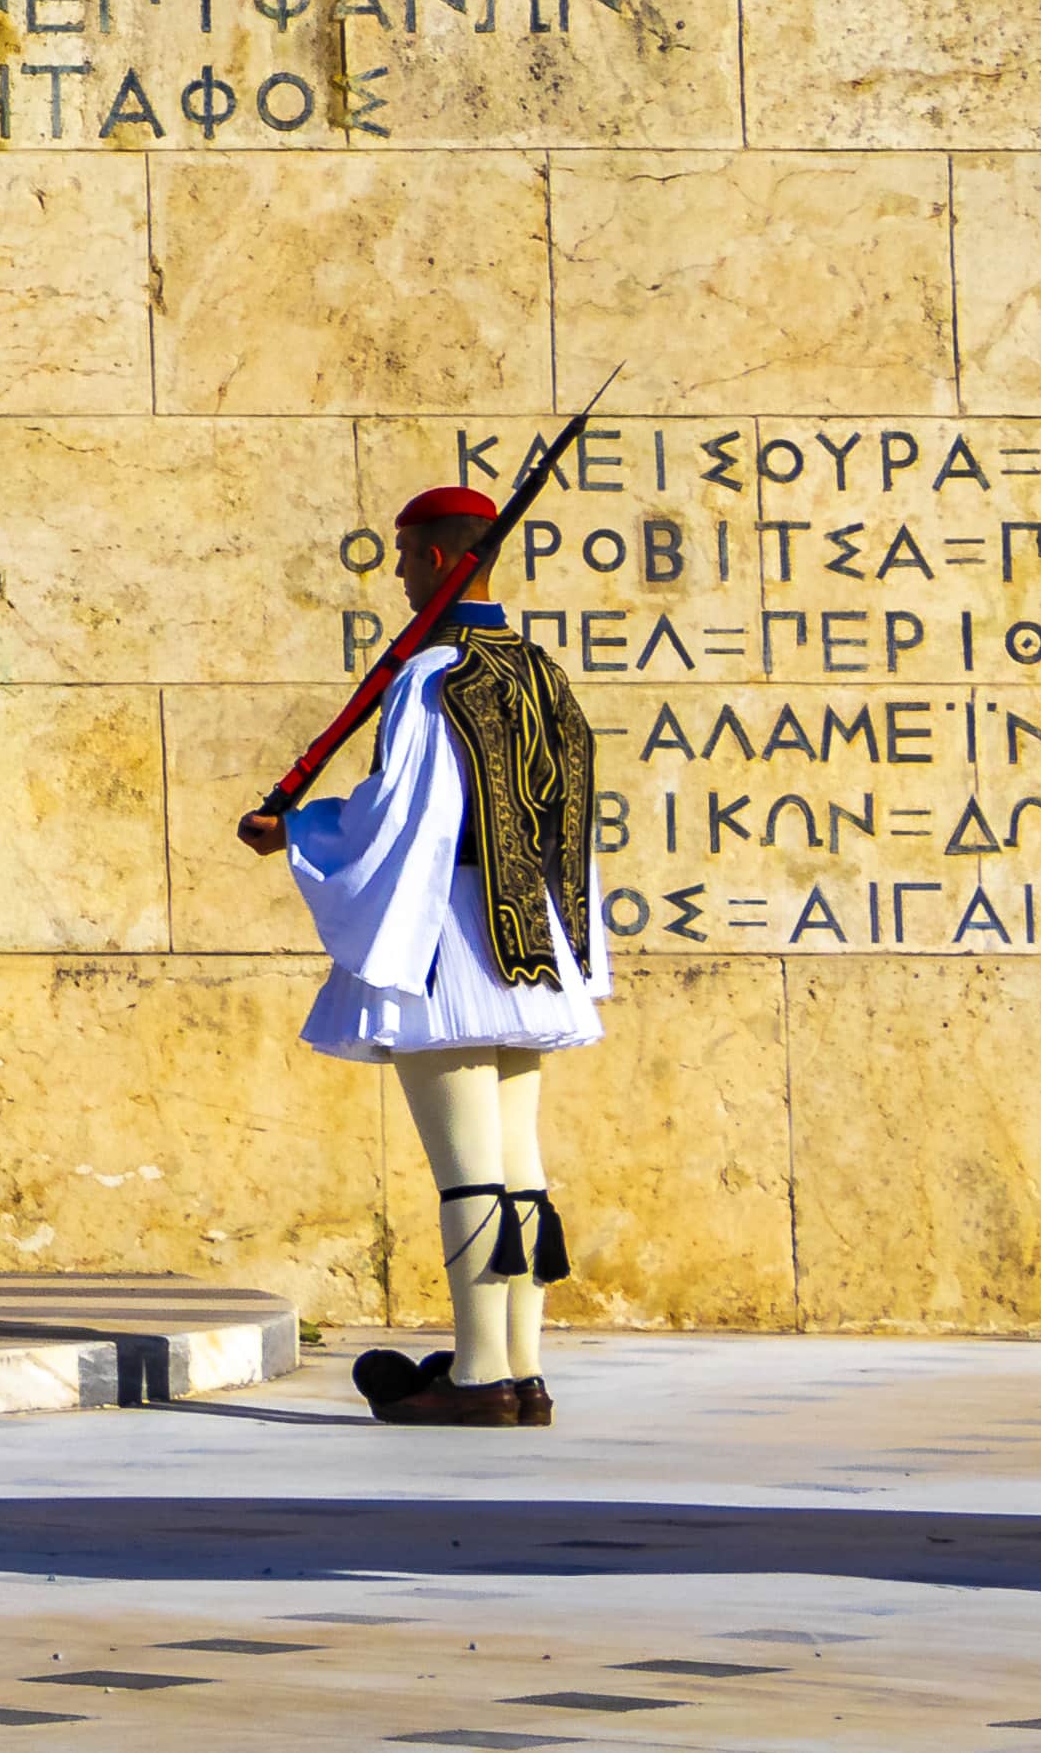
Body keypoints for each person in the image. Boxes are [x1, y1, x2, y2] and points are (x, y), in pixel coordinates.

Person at [279, 483, 605, 1429]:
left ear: (432, 558)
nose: (394, 571)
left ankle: (476, 1380)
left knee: (469, 1169)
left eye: (403, 554)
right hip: (533, 940)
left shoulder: (432, 678)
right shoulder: (540, 670)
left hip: (451, 939)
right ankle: (523, 1373)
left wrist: (297, 828)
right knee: (518, 1164)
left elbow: (399, 823)